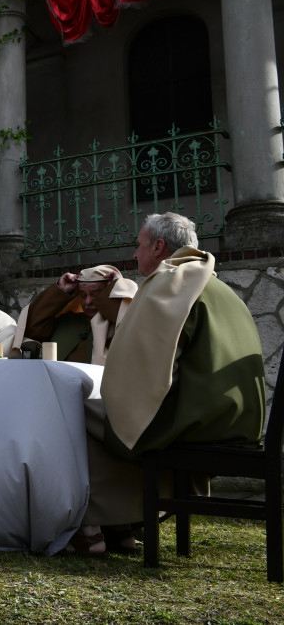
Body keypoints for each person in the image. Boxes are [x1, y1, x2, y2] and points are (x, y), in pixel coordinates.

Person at [66, 213, 266, 556]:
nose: (135, 254)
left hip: (199, 426)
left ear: (159, 247)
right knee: (115, 419)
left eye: (140, 245)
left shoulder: (172, 282)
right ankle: (122, 529)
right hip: (238, 424)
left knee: (81, 412)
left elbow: (147, 368)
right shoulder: (219, 287)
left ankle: (95, 529)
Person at [11, 265, 137, 364]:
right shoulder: (66, 321)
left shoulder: (120, 325)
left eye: (96, 295)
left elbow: (134, 330)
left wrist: (118, 289)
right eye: (83, 295)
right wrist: (59, 290)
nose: (88, 302)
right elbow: (32, 329)